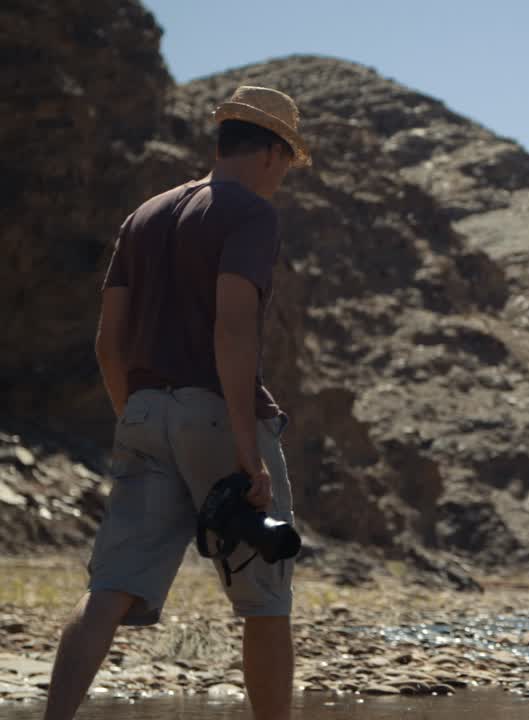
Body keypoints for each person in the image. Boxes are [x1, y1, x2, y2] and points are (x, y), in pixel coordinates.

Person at [43, 86, 311, 720]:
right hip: (217, 412)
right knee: (265, 600)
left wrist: (135, 419)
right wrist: (247, 453)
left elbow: (109, 342)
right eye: (287, 163)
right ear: (272, 152)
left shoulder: (145, 216)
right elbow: (232, 330)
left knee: (110, 587)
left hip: (143, 412)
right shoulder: (250, 214)